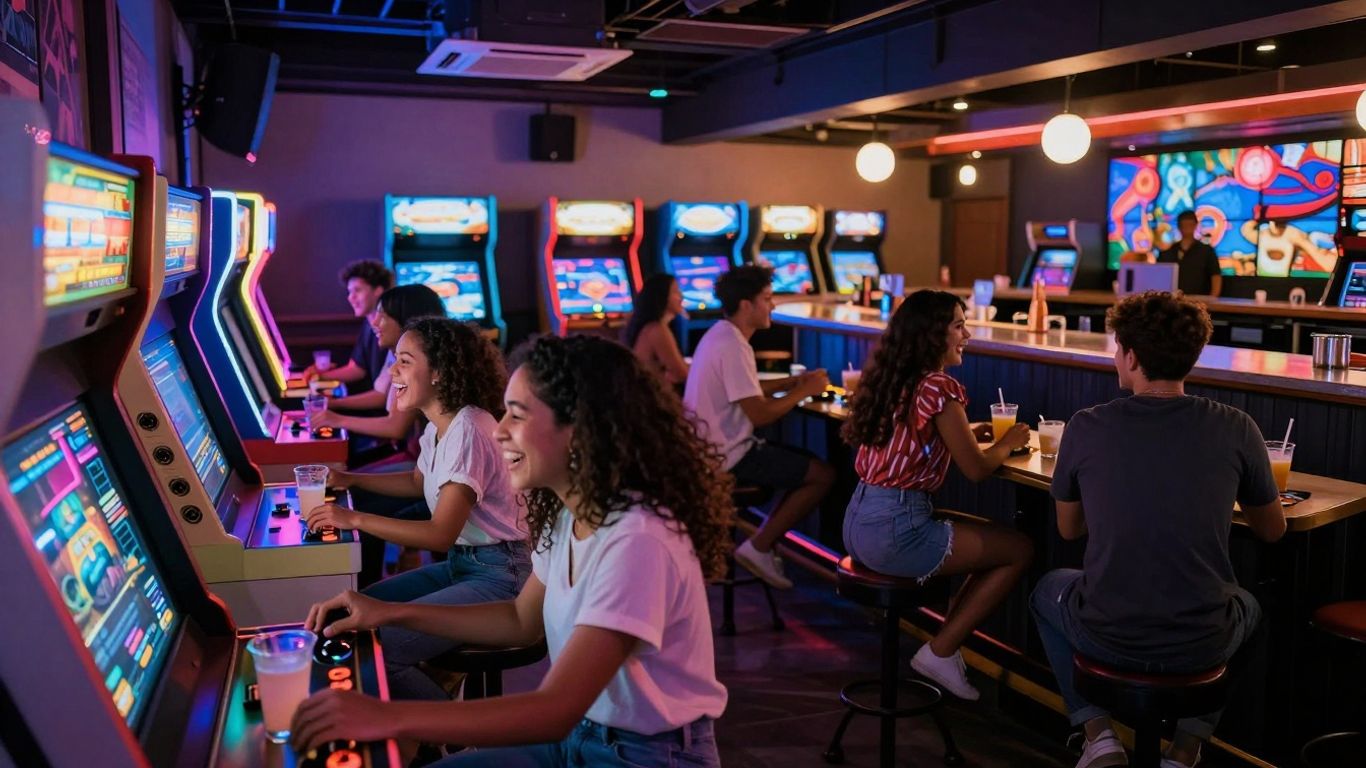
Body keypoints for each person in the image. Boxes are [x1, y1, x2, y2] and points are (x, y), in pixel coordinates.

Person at [292, 335, 731, 767]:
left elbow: (555, 710)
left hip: (644, 756)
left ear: (580, 429)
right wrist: (388, 612)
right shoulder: (566, 515)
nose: (499, 430)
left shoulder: (637, 540)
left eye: (517, 416)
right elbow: (519, 619)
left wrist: (391, 717)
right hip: (579, 739)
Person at [1032, 292, 1286, 768]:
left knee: (1046, 591)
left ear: (1130, 356)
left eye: (1116, 348)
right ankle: (1187, 747)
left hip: (1105, 631)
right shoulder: (1238, 427)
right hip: (1202, 639)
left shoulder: (1086, 426)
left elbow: (1069, 530)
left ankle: (1098, 734)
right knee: (1252, 607)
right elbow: (1272, 531)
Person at [841, 290, 1033, 700]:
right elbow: (977, 470)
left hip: (858, 522)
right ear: (933, 334)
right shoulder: (939, 387)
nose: (968, 335)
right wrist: (1010, 439)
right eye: (959, 326)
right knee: (1018, 549)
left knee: (991, 538)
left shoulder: (894, 378)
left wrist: (971, 433)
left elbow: (919, 437)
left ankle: (943, 649)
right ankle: (943, 649)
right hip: (895, 530)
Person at [304, 318, 526, 614]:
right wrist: (350, 479)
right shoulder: (437, 427)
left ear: (438, 372)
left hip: (500, 573)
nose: (392, 371)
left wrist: (353, 519)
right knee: (349, 610)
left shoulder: (468, 430)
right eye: (395, 360)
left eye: (404, 362)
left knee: (373, 632)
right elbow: (416, 482)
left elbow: (439, 534)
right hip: (463, 562)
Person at [683, 264, 834, 590]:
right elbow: (760, 414)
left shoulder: (720, 334)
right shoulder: (734, 345)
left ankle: (763, 545)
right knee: (824, 475)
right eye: (767, 298)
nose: (773, 306)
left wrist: (795, 380)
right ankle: (759, 546)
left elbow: (747, 390)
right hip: (727, 457)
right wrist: (804, 391)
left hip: (707, 452)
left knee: (805, 462)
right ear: (747, 305)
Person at [312, 284, 446, 444]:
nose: (374, 323)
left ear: (407, 322)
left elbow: (396, 427)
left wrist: (337, 419)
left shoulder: (418, 362)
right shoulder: (394, 354)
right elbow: (380, 395)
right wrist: (333, 404)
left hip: (412, 456)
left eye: (382, 317)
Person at [302, 260, 394, 391]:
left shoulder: (391, 329)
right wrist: (319, 376)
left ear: (378, 290)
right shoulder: (368, 324)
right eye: (349, 292)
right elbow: (357, 368)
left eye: (357, 290)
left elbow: (382, 396)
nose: (351, 298)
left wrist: (330, 404)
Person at [622, 273, 690, 386]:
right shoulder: (657, 329)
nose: (681, 297)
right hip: (649, 398)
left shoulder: (652, 326)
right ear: (662, 296)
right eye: (676, 291)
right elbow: (681, 373)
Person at [1156, 211, 1222, 297]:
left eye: (1190, 225)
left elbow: (1216, 276)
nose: (1187, 228)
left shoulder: (1206, 251)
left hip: (1200, 301)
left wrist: (1213, 298)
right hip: (1173, 302)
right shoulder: (1168, 252)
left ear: (1195, 225)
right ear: (1179, 226)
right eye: (1184, 225)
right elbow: (1159, 277)